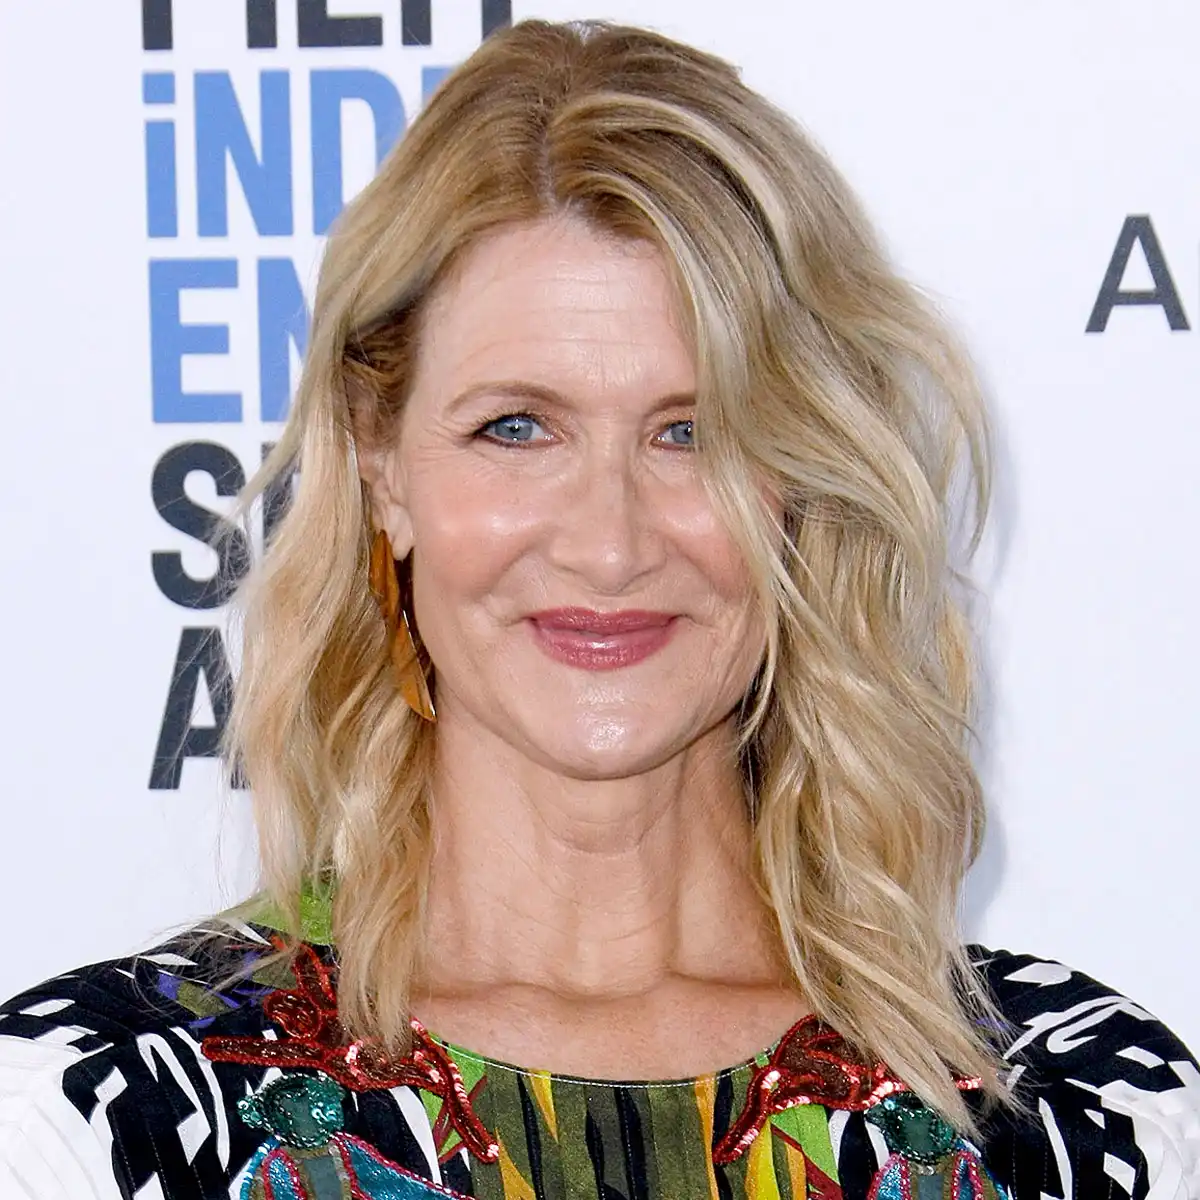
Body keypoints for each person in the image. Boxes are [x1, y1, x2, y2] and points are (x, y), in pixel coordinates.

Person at [0, 17, 1196, 1200]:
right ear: (381, 463)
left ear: (802, 479)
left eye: (694, 433)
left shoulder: (1082, 1114)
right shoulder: (102, 1121)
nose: (610, 544)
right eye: (517, 428)